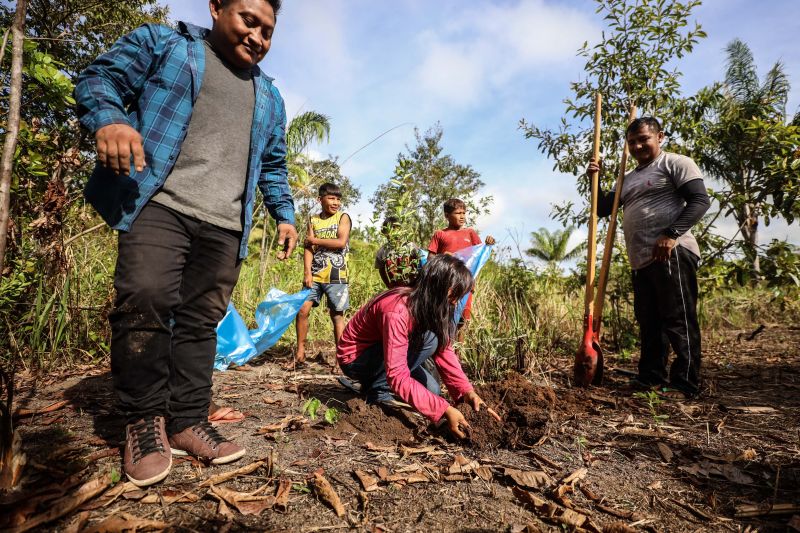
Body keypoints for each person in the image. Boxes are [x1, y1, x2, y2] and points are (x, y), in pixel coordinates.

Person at [74, 0, 298, 487]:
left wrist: (284, 214)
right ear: (216, 7)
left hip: (226, 224)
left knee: (201, 321)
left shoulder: (269, 96)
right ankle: (144, 421)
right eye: (248, 20)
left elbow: (274, 164)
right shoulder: (165, 45)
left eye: (267, 31)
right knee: (146, 299)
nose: (257, 37)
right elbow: (99, 77)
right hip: (159, 203)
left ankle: (188, 419)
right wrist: (110, 119)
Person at [588, 117, 711, 400]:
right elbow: (603, 209)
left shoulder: (675, 163)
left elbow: (700, 201)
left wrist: (671, 234)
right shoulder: (627, 178)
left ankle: (685, 384)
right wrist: (594, 177)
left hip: (672, 252)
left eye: (644, 139)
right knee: (649, 321)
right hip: (641, 259)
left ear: (660, 137)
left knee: (678, 318)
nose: (638, 146)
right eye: (632, 142)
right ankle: (651, 377)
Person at [336, 254, 500, 437]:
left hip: (383, 352)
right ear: (441, 289)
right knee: (430, 340)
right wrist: (444, 410)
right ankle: (378, 391)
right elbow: (397, 375)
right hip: (356, 360)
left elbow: (444, 350)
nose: (454, 302)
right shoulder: (397, 310)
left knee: (433, 390)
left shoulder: (427, 305)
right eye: (454, 295)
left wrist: (466, 392)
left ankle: (373, 383)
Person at [293, 183, 352, 367]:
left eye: (338, 199)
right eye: (331, 198)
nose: (336, 203)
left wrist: (315, 240)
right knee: (302, 310)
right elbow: (308, 248)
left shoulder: (343, 217)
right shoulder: (313, 220)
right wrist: (307, 272)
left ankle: (340, 360)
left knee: (337, 316)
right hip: (315, 275)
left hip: (337, 276)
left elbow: (341, 242)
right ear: (320, 199)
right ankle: (300, 354)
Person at [427, 198, 494, 325]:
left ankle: (459, 339)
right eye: (458, 213)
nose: (462, 216)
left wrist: (488, 245)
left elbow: (479, 255)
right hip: (446, 283)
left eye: (464, 213)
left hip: (466, 283)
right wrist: (444, 258)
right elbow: (430, 258)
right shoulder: (440, 234)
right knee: (444, 317)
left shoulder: (470, 233)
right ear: (447, 215)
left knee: (462, 320)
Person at [374, 216, 425, 288]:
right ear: (385, 233)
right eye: (387, 231)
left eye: (394, 229)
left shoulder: (410, 246)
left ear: (399, 230)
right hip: (396, 288)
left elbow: (421, 263)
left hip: (413, 286)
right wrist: (388, 285)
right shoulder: (382, 251)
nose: (390, 234)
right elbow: (381, 270)